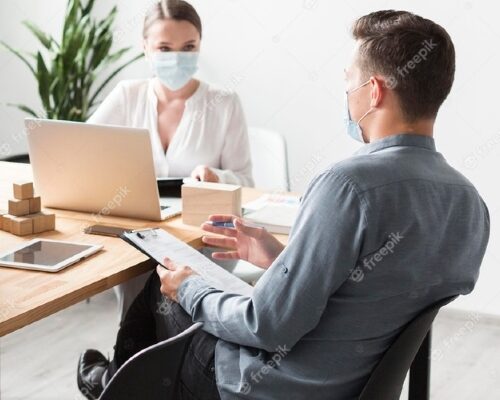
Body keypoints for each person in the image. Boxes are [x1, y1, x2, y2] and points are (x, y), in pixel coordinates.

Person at [78, 10, 490, 400]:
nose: (346, 93)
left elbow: (267, 326)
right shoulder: (470, 204)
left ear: (375, 90)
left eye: (349, 81)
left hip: (269, 385)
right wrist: (284, 261)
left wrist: (189, 287)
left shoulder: (347, 186)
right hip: (352, 384)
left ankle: (112, 385)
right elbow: (372, 292)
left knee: (164, 283)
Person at [87, 0, 253, 320]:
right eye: (165, 48)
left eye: (188, 47)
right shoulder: (127, 95)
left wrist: (218, 177)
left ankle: (175, 363)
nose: (177, 57)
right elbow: (83, 154)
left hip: (201, 237)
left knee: (176, 304)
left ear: (200, 47)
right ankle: (128, 360)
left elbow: (246, 181)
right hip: (138, 233)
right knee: (133, 277)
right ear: (145, 48)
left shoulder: (223, 102)